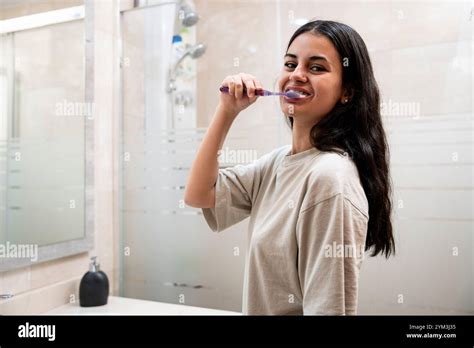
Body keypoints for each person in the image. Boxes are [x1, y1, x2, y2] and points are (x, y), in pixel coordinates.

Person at [184, 20, 395, 315]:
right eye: (290, 64)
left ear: (347, 91)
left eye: (316, 68)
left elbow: (329, 308)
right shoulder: (278, 162)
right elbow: (198, 194)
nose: (297, 75)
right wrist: (227, 111)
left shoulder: (329, 178)